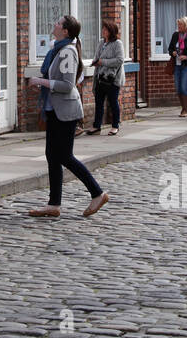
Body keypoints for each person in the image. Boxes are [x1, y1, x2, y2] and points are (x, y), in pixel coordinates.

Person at [28, 15, 109, 218]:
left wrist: (41, 82)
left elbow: (67, 85)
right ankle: (54, 204)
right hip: (54, 110)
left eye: (58, 22)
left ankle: (97, 193)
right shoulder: (58, 50)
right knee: (52, 156)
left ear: (65, 31)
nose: (54, 24)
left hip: (65, 112)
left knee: (64, 156)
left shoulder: (67, 52)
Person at [86, 20, 125, 136]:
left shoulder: (117, 44)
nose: (103, 31)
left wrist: (103, 62)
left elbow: (120, 60)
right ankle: (97, 126)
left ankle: (115, 126)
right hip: (100, 78)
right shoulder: (101, 43)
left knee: (113, 102)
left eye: (105, 29)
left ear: (111, 31)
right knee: (98, 103)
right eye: (102, 29)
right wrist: (95, 62)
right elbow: (97, 57)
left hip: (112, 79)